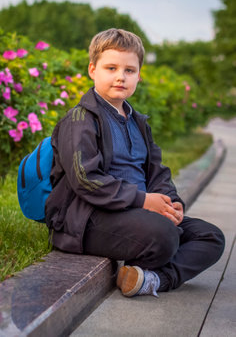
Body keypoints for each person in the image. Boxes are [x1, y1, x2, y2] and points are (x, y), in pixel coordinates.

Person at [45, 28, 225, 297]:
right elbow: (86, 179)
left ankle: (152, 279)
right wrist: (142, 200)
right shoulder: (81, 119)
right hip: (88, 219)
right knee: (164, 236)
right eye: (111, 68)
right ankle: (156, 271)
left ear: (139, 76)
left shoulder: (138, 122)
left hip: (138, 213)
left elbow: (157, 172)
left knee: (211, 237)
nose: (120, 76)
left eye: (129, 70)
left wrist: (170, 202)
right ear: (93, 70)